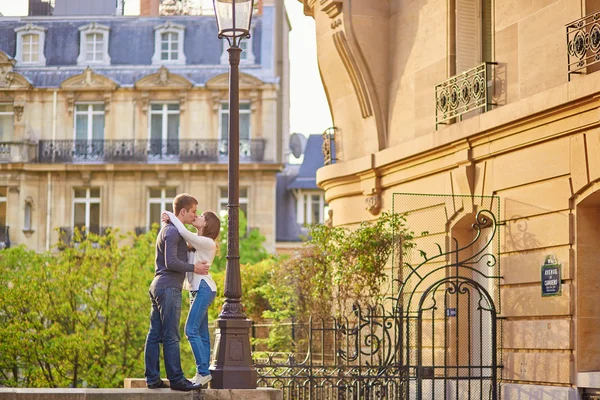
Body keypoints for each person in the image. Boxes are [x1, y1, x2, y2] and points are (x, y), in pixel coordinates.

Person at [144, 193, 208, 391]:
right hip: (168, 287)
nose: (194, 215)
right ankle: (177, 380)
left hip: (158, 286)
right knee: (171, 335)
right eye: (193, 212)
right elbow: (171, 262)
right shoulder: (172, 232)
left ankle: (153, 379)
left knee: (155, 334)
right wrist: (194, 268)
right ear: (183, 211)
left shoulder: (169, 228)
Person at [162, 209, 220, 387]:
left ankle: (203, 372)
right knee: (201, 334)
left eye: (202, 216)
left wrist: (170, 215)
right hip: (195, 290)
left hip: (204, 288)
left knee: (190, 330)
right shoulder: (195, 243)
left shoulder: (208, 242)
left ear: (207, 224)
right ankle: (202, 372)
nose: (198, 216)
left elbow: (184, 232)